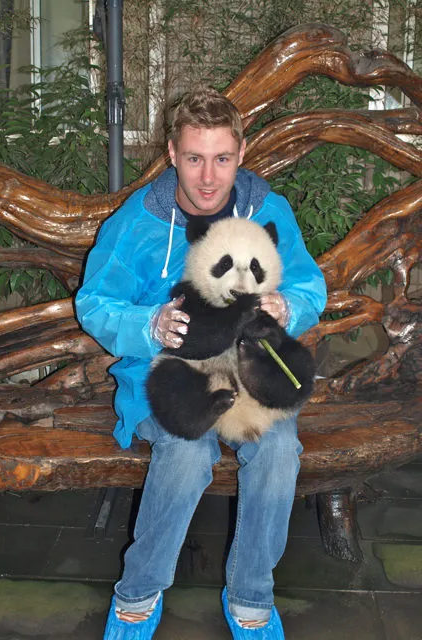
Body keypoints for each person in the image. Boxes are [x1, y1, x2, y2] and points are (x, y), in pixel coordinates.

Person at [75, 86, 327, 640]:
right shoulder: (136, 222)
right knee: (188, 453)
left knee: (280, 448)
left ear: (241, 154)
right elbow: (93, 303)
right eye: (194, 158)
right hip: (161, 381)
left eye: (221, 159)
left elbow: (310, 283)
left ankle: (251, 594)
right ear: (171, 154)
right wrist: (148, 326)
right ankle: (139, 590)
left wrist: (293, 305)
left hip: (250, 377)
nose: (208, 177)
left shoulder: (267, 210)